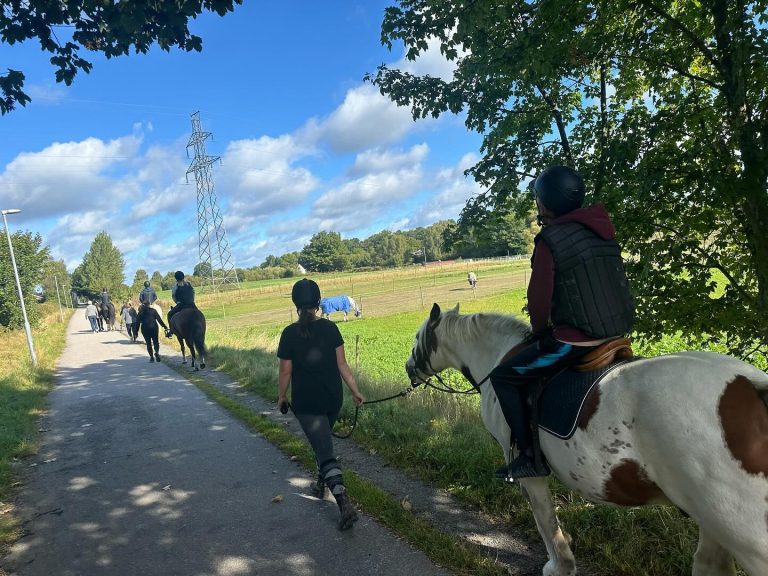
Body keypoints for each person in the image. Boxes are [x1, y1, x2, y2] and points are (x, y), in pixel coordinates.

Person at [490, 166, 634, 480]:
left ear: (544, 204)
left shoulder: (550, 240)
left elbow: (539, 301)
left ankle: (530, 457)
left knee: (504, 377)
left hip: (575, 340)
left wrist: (539, 332)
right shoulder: (602, 230)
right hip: (616, 332)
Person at [277, 278, 365, 530]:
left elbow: (285, 372)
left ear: (296, 304)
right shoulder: (330, 329)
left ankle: (344, 504)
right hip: (332, 398)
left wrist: (282, 396)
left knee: (324, 450)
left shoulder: (289, 334)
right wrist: (355, 391)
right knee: (323, 441)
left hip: (308, 403)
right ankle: (320, 485)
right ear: (318, 302)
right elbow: (342, 365)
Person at [166, 270, 195, 338]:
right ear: (183, 276)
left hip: (181, 305)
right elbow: (193, 293)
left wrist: (177, 302)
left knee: (169, 314)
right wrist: (191, 301)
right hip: (191, 304)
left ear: (176, 278)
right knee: (199, 313)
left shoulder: (175, 287)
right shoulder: (189, 284)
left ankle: (171, 331)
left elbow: (174, 297)